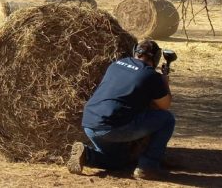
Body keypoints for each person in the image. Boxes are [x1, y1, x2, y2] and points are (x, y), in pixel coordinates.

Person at [67, 40, 175, 180]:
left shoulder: (115, 65)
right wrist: (164, 83)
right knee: (167, 119)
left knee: (117, 161)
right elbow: (165, 105)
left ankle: (87, 155)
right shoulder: (150, 75)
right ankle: (148, 167)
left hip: (90, 123)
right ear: (156, 57)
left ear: (135, 52)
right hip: (114, 127)